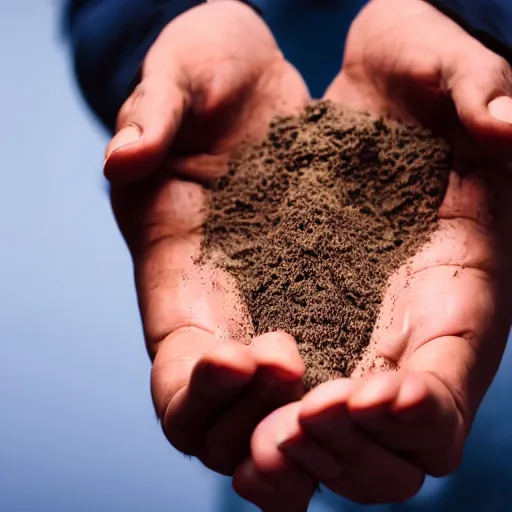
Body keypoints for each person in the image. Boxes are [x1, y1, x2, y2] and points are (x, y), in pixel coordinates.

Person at [64, 0, 512, 509]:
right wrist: (164, 24)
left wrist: (468, 21)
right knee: (281, 432)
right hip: (270, 393)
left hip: (479, 231)